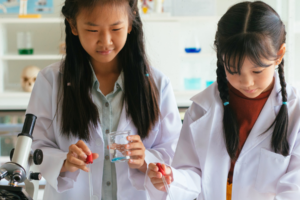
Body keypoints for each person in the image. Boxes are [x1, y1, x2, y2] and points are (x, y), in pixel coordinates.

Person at [26, 0, 182, 199]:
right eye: (92, 30)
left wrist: (145, 160)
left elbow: (175, 152)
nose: (105, 41)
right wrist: (64, 161)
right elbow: (34, 147)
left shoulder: (157, 84)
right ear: (73, 25)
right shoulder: (50, 81)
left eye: (116, 28)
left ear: (130, 22)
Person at [146, 1, 300, 200]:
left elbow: (294, 186)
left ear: (279, 54)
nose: (247, 82)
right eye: (234, 70)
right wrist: (171, 178)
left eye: (257, 71)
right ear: (221, 59)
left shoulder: (295, 112)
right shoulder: (202, 109)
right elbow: (192, 173)